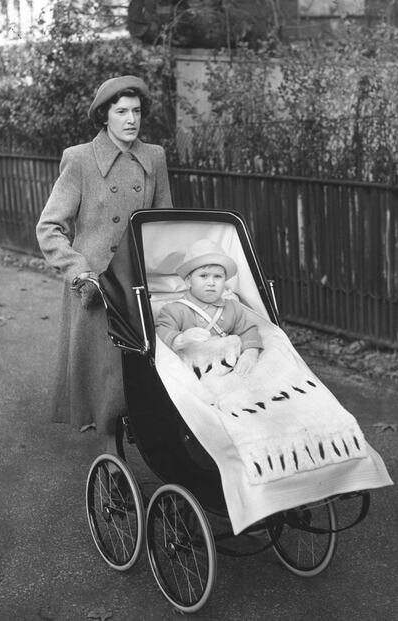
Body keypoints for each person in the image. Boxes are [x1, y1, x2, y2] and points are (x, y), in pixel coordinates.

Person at [36, 75, 173, 454]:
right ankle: (113, 466)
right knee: (107, 383)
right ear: (105, 116)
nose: (131, 119)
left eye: (137, 111)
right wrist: (79, 271)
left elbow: (164, 222)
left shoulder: (155, 157)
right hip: (97, 287)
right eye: (122, 111)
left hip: (140, 283)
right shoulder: (80, 159)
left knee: (146, 376)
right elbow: (49, 227)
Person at [155, 239, 263, 376]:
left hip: (228, 367)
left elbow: (248, 330)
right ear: (188, 281)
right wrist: (180, 339)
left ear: (225, 281)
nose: (211, 283)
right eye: (204, 276)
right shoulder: (174, 310)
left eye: (217, 276)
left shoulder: (232, 307)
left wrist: (250, 353)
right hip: (194, 371)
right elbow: (162, 330)